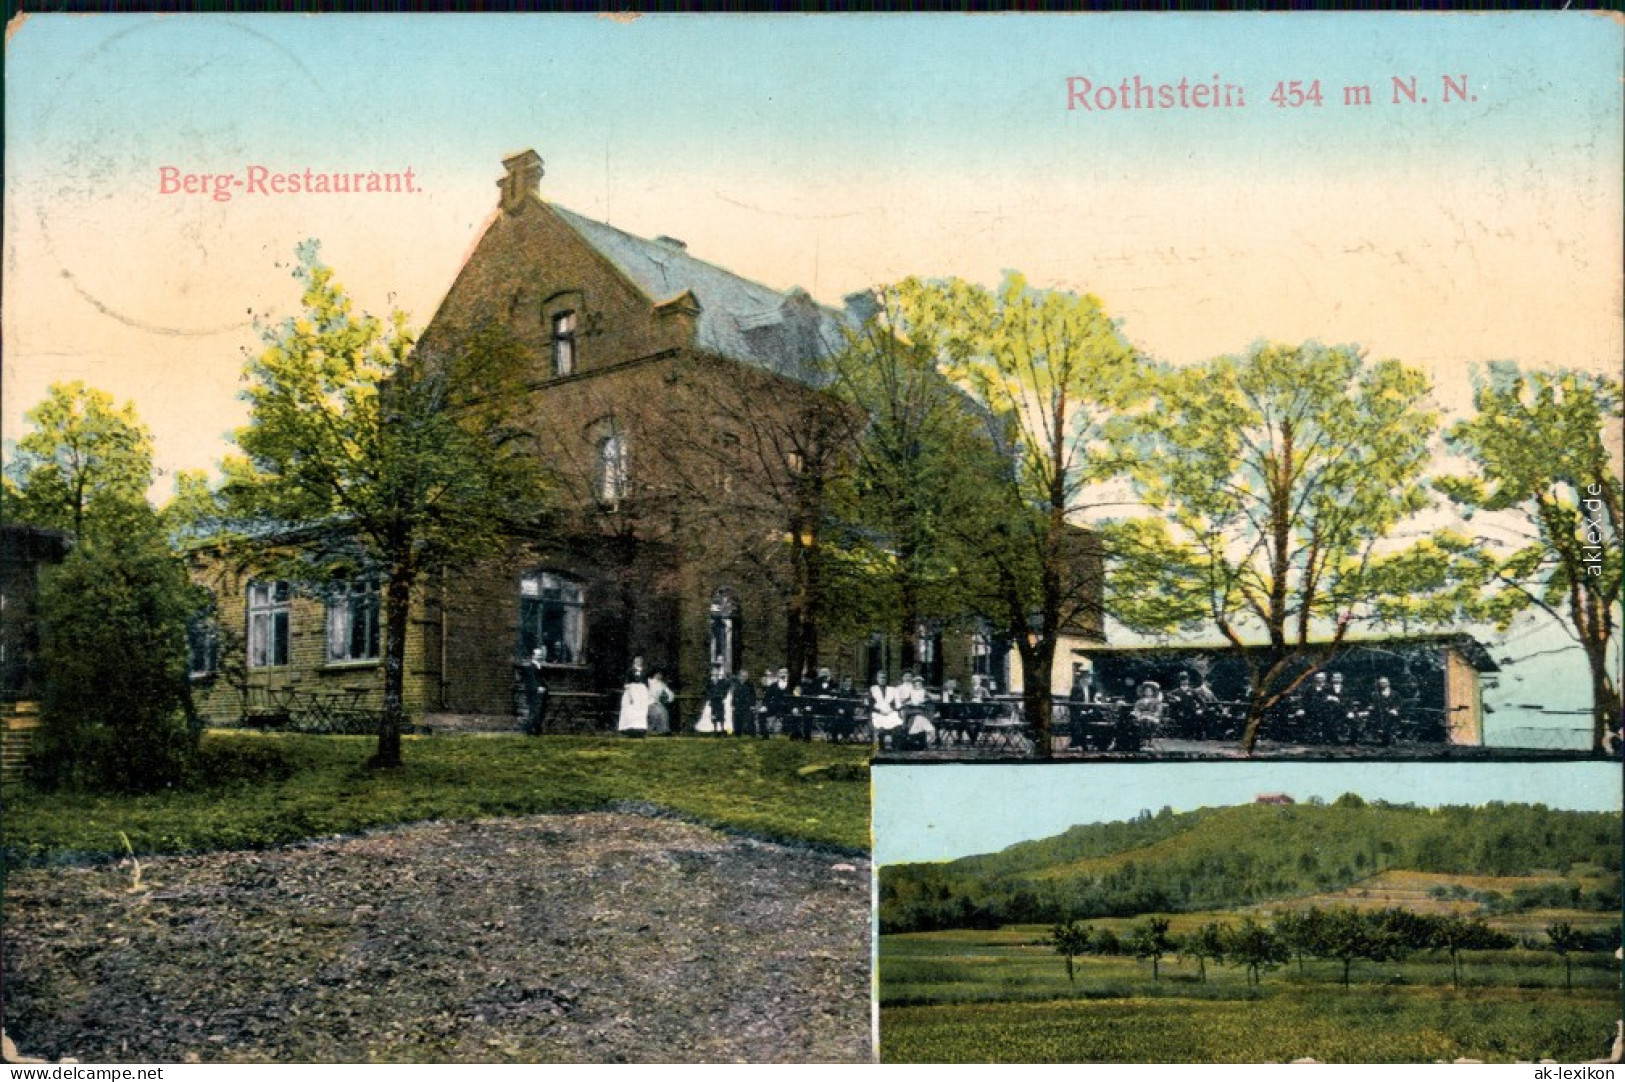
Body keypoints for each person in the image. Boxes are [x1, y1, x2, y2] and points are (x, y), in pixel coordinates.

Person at [517, 647, 549, 736]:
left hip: (542, 692)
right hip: (533, 693)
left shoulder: (540, 666)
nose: (539, 656)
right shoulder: (530, 667)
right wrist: (537, 688)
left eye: (540, 655)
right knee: (533, 711)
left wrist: (544, 687)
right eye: (537, 655)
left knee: (540, 711)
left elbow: (543, 679)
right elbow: (532, 680)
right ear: (533, 656)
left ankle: (537, 730)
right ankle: (529, 730)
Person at [868, 671, 904, 749]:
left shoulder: (892, 689)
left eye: (884, 678)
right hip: (878, 712)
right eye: (880, 678)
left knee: (897, 725)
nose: (882, 680)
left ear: (886, 679)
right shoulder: (873, 689)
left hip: (890, 712)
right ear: (877, 679)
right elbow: (870, 704)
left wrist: (892, 710)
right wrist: (879, 711)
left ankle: (896, 748)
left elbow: (897, 704)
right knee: (880, 728)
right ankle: (881, 747)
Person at [617, 655, 650, 737]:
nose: (638, 662)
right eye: (637, 661)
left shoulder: (644, 672)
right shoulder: (630, 671)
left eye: (640, 661)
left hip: (641, 693)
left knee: (641, 712)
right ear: (634, 662)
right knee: (631, 711)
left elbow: (646, 684)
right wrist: (630, 696)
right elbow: (626, 684)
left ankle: (640, 730)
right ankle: (630, 730)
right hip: (632, 692)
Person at [732, 666, 761, 738]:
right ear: (739, 676)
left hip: (747, 705)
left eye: (745, 676)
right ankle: (737, 734)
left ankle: (752, 734)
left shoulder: (750, 685)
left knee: (750, 719)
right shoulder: (736, 685)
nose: (744, 677)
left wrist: (752, 705)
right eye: (742, 676)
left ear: (747, 677)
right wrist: (733, 705)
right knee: (737, 720)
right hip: (738, 705)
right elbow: (734, 696)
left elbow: (753, 696)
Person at [646, 668, 674, 735]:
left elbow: (670, 693)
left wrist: (669, 699)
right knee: (657, 711)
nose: (659, 676)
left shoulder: (662, 684)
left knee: (663, 711)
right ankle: (650, 730)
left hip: (656, 702)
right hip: (647, 701)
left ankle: (663, 730)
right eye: (657, 674)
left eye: (660, 675)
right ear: (654, 674)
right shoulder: (649, 681)